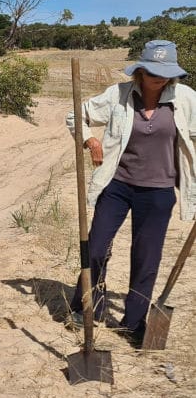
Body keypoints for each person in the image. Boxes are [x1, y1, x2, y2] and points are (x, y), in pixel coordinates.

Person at [65, 39, 196, 344]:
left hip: (159, 191)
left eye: (165, 72)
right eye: (153, 71)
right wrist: (91, 141)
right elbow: (76, 114)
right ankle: (88, 304)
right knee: (95, 247)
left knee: (146, 258)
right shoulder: (119, 95)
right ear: (140, 70)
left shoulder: (186, 99)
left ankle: (134, 322)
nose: (159, 78)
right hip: (117, 185)